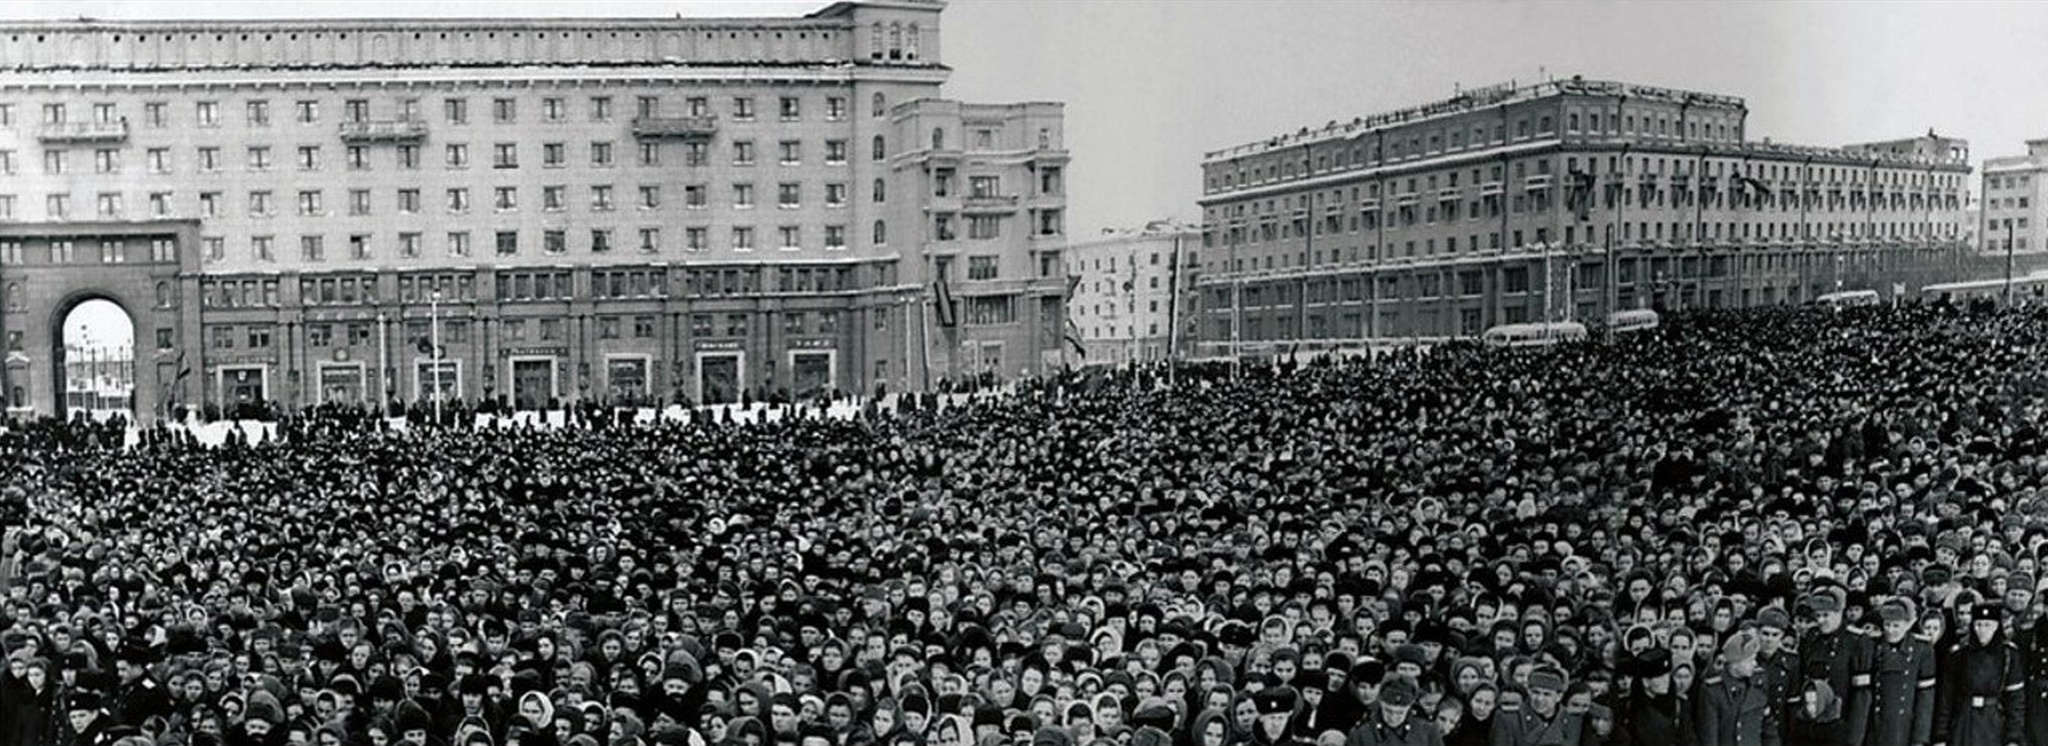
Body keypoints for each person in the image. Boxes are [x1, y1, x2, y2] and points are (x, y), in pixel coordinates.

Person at [1934, 603, 2025, 746]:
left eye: (1987, 625)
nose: (1982, 630)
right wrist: (1941, 735)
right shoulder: (1959, 654)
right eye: (1978, 625)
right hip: (1964, 721)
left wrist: (2013, 737)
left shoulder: (2008, 654)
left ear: (1996, 626)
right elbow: (1946, 697)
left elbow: (2016, 700)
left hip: (1994, 722)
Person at [1866, 599, 1936, 746]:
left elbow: (1925, 699)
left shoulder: (1921, 649)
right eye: (1887, 625)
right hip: (1877, 727)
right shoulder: (1874, 645)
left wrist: (1920, 738)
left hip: (1905, 728)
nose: (1890, 630)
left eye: (1896, 625)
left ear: (1907, 625)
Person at [1695, 628, 1777, 746]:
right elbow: (1709, 737)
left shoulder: (1758, 683)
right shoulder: (1713, 691)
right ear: (1735, 663)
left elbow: (1768, 729)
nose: (1754, 664)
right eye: (1750, 660)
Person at [1340, 678, 1440, 746]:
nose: (1393, 718)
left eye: (1400, 713)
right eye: (1388, 711)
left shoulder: (1427, 731)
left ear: (1410, 707)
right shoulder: (1361, 733)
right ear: (1380, 703)